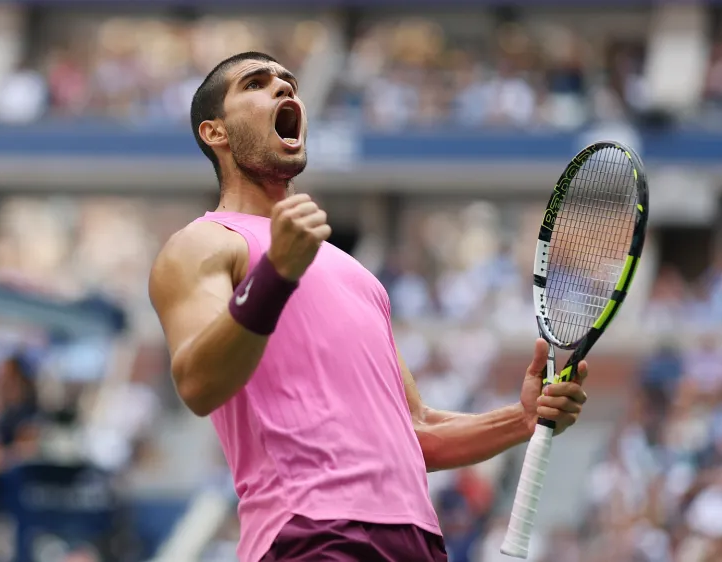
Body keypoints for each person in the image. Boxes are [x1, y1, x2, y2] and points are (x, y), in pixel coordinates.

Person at [148, 52, 590, 562]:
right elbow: (198, 383)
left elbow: (415, 431)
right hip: (311, 533)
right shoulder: (202, 244)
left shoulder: (354, 273)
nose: (284, 90)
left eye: (289, 82)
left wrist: (521, 419)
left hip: (416, 541)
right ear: (215, 133)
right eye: (256, 84)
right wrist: (275, 276)